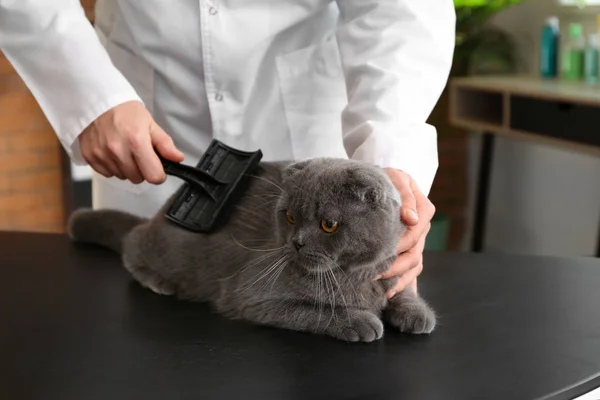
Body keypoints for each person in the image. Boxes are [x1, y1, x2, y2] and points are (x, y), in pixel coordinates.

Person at [0, 0, 456, 298]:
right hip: (147, 117)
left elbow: (400, 12)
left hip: (308, 138)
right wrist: (92, 97)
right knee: (144, 336)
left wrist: (389, 163)